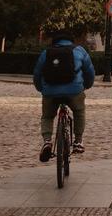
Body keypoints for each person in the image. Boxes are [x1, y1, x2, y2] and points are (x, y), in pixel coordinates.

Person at [33, 30, 96, 162]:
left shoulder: (46, 53)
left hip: (50, 92)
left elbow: (37, 74)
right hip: (74, 91)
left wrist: (41, 89)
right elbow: (90, 71)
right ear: (71, 40)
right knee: (79, 111)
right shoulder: (79, 51)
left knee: (47, 116)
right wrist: (87, 85)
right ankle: (78, 141)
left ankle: (47, 141)